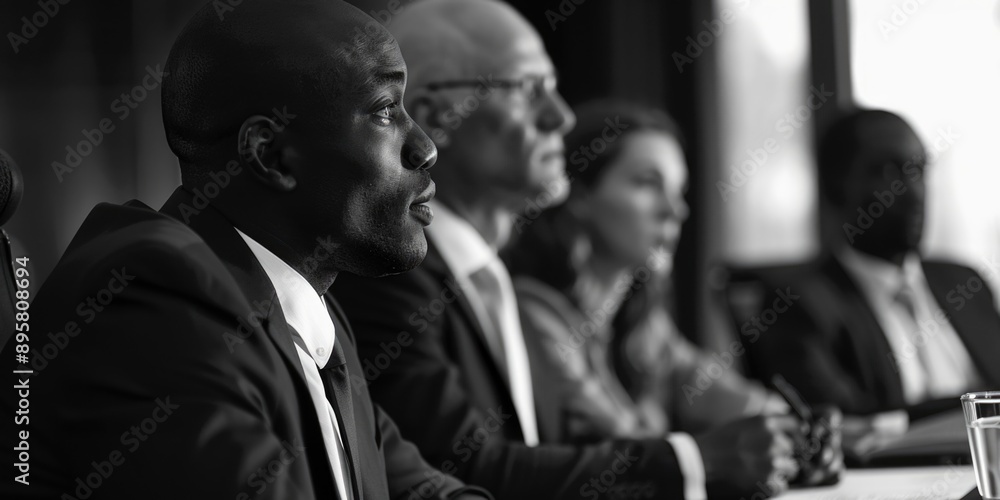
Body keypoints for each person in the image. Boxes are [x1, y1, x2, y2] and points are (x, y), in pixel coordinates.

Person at [0, 1, 490, 498]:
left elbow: (418, 489)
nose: (426, 147)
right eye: (385, 110)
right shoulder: (152, 296)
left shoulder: (307, 311)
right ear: (270, 155)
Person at [332, 2, 803, 498]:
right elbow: (467, 470)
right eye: (529, 89)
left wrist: (784, 445)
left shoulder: (488, 280)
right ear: (435, 117)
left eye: (554, 88)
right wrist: (697, 462)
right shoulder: (391, 279)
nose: (561, 116)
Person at [504, 100, 840, 486]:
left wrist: (804, 429)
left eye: (679, 190)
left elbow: (726, 396)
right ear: (579, 196)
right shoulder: (533, 313)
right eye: (648, 183)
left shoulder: (642, 323)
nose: (675, 210)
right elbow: (629, 448)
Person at [735, 108, 1000, 420]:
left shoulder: (965, 283)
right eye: (888, 172)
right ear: (836, 187)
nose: (914, 191)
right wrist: (974, 411)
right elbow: (849, 424)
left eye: (918, 170)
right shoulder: (798, 306)